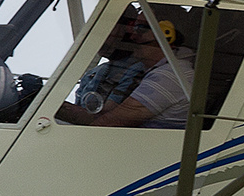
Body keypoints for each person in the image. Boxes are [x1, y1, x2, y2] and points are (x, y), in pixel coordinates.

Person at [56, 9, 195, 128]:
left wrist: (53, 108)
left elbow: (106, 124)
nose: (132, 36)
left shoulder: (170, 76)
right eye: (133, 28)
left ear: (167, 35)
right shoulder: (157, 70)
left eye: (140, 29)